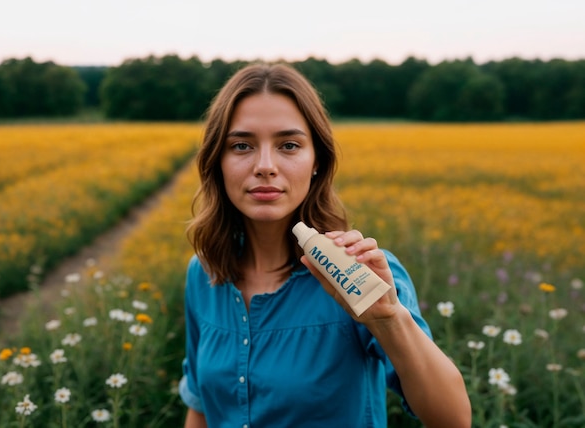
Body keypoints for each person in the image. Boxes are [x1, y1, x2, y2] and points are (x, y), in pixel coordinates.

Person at [179, 62, 471, 428]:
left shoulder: (361, 274)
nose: (265, 166)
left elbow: (453, 419)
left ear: (317, 160)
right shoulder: (203, 273)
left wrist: (389, 318)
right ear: (217, 162)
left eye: (288, 145)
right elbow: (201, 408)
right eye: (241, 146)